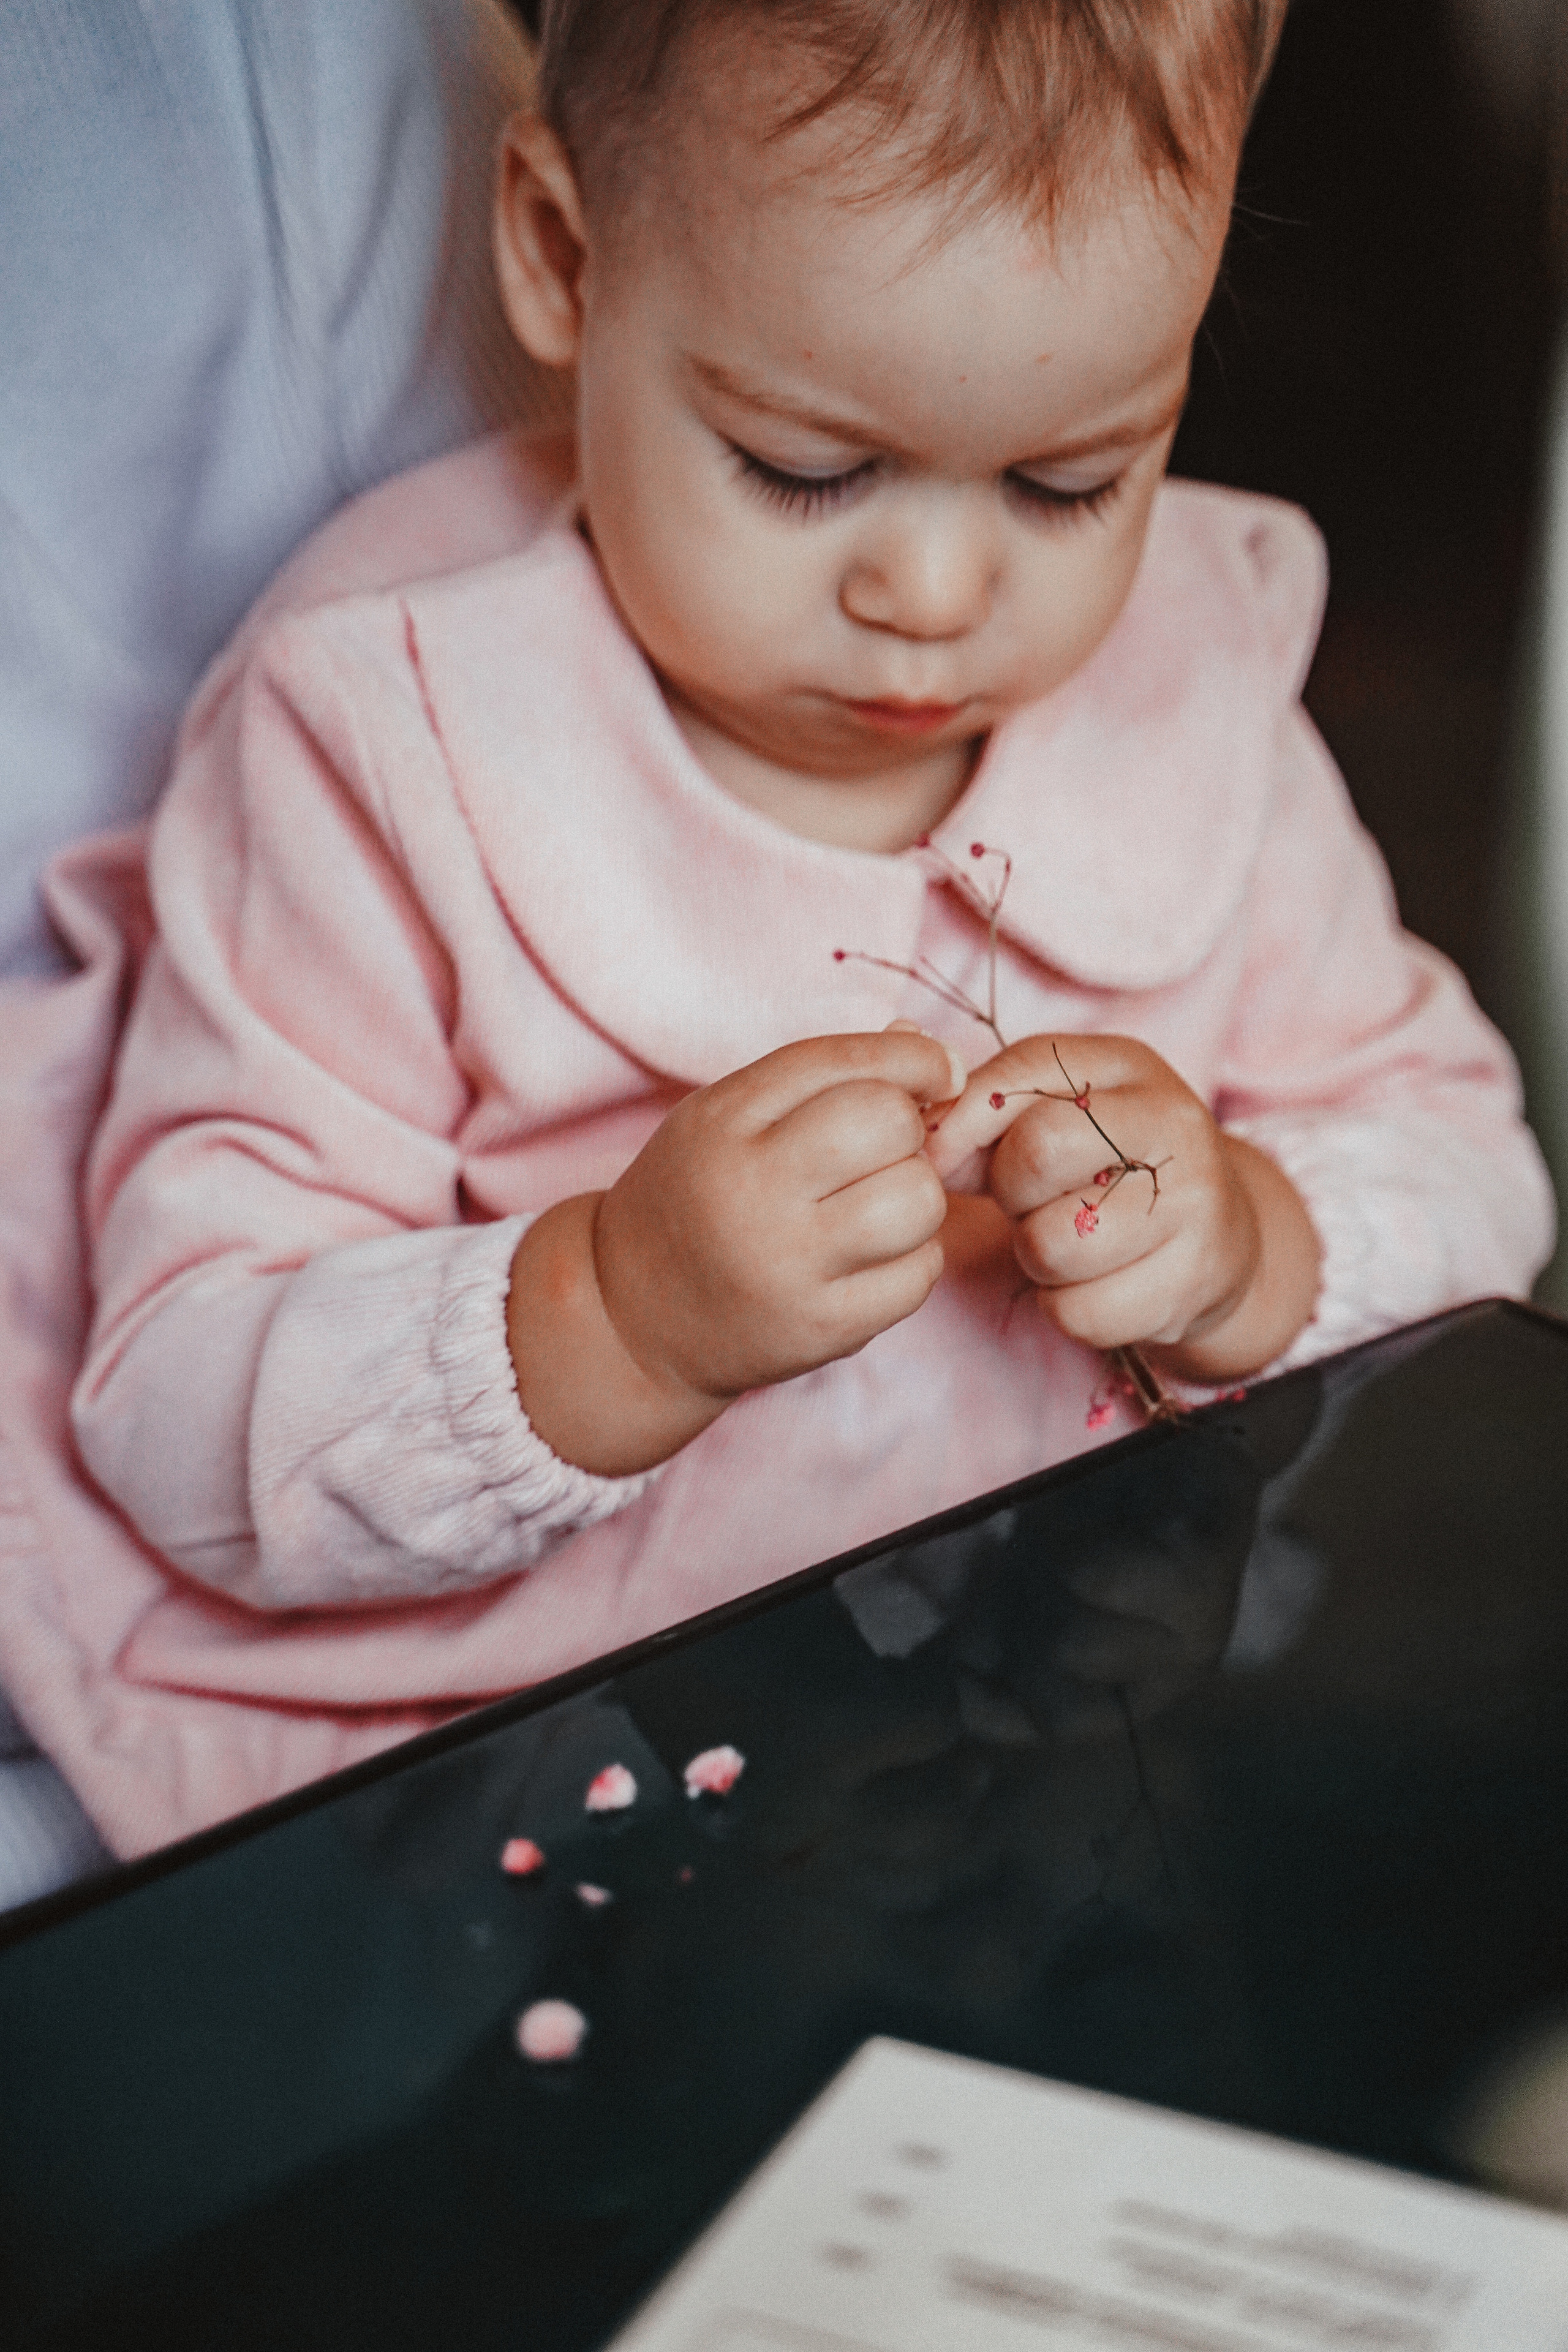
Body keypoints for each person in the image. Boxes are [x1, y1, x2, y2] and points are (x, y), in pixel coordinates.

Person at [2, 0, 1553, 1863]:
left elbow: (1475, 1167)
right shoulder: (392, 736)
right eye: (809, 468)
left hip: (1058, 1753)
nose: (936, 591)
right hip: (542, 1797)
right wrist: (622, 1308)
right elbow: (185, 1415)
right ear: (564, 259)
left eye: (1073, 481)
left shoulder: (1189, 699)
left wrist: (1250, 1243)